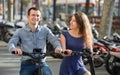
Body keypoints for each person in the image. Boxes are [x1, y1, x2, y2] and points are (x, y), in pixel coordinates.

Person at [8, 7, 62, 75]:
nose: (35, 17)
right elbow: (11, 43)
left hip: (41, 63)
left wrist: (58, 47)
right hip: (27, 63)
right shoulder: (20, 31)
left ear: (40, 18)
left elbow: (54, 40)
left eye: (37, 15)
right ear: (28, 16)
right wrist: (14, 49)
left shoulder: (45, 30)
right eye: (33, 15)